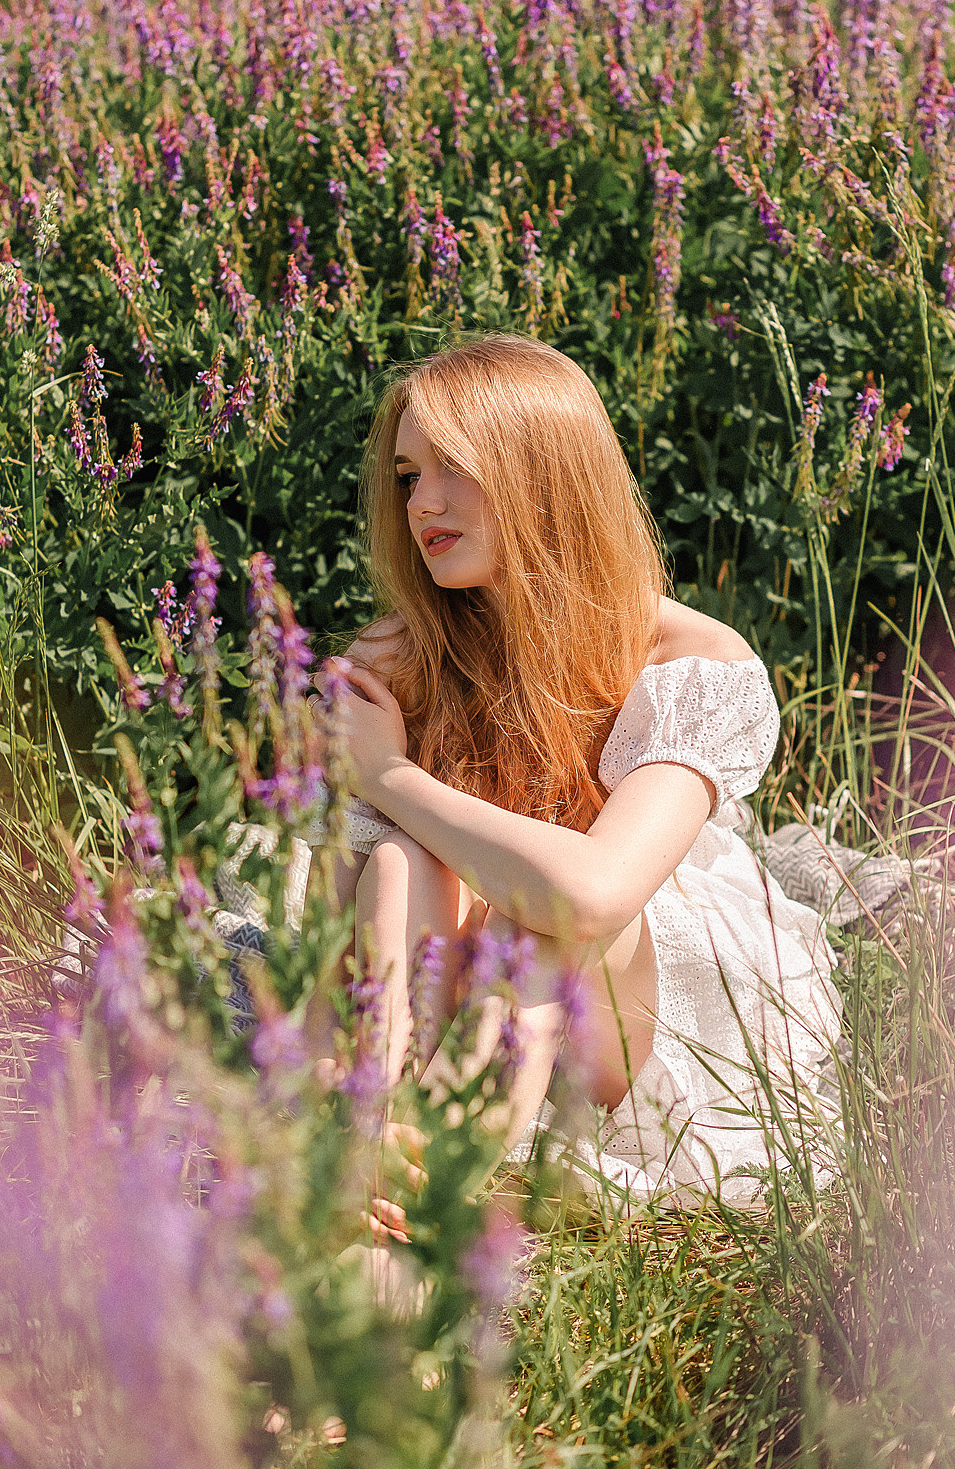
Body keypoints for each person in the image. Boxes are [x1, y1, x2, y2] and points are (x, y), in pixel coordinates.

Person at [314, 333, 842, 1209]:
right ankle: (378, 1129)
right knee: (403, 861)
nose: (422, 504)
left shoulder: (695, 662)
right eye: (409, 476)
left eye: (455, 467)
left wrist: (391, 777)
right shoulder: (401, 654)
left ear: (544, 470)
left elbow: (593, 895)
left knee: (547, 921)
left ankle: (432, 1167)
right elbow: (345, 913)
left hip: (644, 1004)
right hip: (479, 1006)